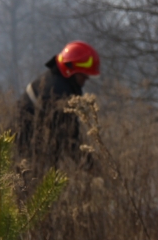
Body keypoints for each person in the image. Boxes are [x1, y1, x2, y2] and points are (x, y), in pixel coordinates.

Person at [17, 41, 100, 172]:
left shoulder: (57, 81)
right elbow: (69, 139)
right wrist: (94, 170)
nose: (86, 79)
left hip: (29, 150)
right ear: (71, 70)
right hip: (28, 156)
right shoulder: (57, 92)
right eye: (83, 75)